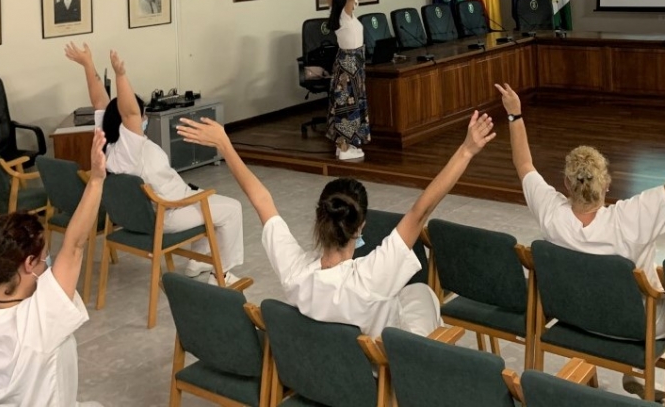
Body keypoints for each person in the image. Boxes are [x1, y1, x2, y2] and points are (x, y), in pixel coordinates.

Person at [176, 110, 495, 338]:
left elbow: (262, 200)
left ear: (319, 218)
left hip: (333, 372)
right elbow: (421, 210)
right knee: (422, 295)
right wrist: (466, 150)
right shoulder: (372, 277)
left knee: (413, 296)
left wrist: (226, 146)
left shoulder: (294, 272)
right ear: (360, 227)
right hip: (374, 374)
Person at [495, 83, 665, 399]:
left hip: (575, 317)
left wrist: (515, 115)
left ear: (565, 184)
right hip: (637, 328)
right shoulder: (631, 218)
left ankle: (634, 377)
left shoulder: (552, 216)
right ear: (608, 183)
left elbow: (524, 166)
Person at [64, 42, 244, 284]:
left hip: (145, 212)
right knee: (231, 209)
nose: (144, 118)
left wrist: (88, 64)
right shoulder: (130, 148)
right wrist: (120, 75)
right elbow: (129, 112)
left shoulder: (107, 140)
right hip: (166, 214)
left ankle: (197, 262)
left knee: (204, 197)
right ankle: (220, 274)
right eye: (142, 115)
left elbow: (100, 102)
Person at [0, 109, 106, 407]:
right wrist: (95, 180)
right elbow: (76, 244)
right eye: (43, 258)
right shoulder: (39, 321)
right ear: (29, 264)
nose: (48, 263)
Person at [305, 0, 370, 161]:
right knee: (346, 107)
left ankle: (346, 145)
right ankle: (344, 147)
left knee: (351, 104)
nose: (355, 0)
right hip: (349, 65)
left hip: (354, 64)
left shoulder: (341, 14)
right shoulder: (344, 15)